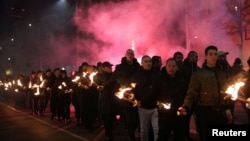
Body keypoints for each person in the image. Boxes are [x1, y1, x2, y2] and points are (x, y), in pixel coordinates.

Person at [178, 45, 233, 141]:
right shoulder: (198, 74)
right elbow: (191, 93)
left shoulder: (221, 73)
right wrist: (186, 106)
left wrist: (227, 109)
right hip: (205, 112)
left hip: (220, 112)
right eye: (210, 54)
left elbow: (225, 93)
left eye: (215, 54)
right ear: (206, 57)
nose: (213, 57)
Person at [157, 58, 188, 141]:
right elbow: (154, 94)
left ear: (177, 67)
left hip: (178, 113)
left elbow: (186, 94)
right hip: (164, 115)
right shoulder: (160, 79)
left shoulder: (182, 80)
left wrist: (185, 107)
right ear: (165, 67)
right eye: (169, 66)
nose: (171, 68)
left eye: (173, 66)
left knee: (179, 136)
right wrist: (158, 103)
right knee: (163, 136)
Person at [114, 49, 141, 141]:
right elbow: (117, 78)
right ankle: (131, 135)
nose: (130, 55)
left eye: (132, 54)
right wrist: (126, 84)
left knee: (137, 115)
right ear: (125, 55)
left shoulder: (138, 66)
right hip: (126, 93)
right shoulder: (120, 67)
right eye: (128, 54)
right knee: (129, 116)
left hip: (137, 93)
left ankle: (136, 129)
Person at [132, 55, 159, 141]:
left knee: (157, 130)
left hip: (155, 107)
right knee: (144, 131)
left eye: (150, 61)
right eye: (146, 61)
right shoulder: (137, 75)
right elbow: (133, 89)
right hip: (143, 107)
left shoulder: (156, 74)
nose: (148, 63)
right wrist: (134, 98)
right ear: (142, 63)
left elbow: (157, 89)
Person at [95, 61, 119, 141]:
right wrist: (99, 87)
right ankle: (108, 134)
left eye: (111, 67)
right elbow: (99, 85)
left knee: (112, 117)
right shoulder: (100, 76)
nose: (110, 68)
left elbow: (117, 84)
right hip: (104, 99)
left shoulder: (113, 76)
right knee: (106, 118)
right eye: (108, 67)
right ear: (104, 68)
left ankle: (110, 132)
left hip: (112, 99)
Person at [179, 50, 200, 140]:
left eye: (197, 56)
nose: (196, 58)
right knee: (186, 118)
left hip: (197, 98)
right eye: (194, 56)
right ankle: (185, 136)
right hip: (187, 97)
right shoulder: (183, 68)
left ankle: (201, 133)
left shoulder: (198, 69)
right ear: (189, 56)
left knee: (199, 117)